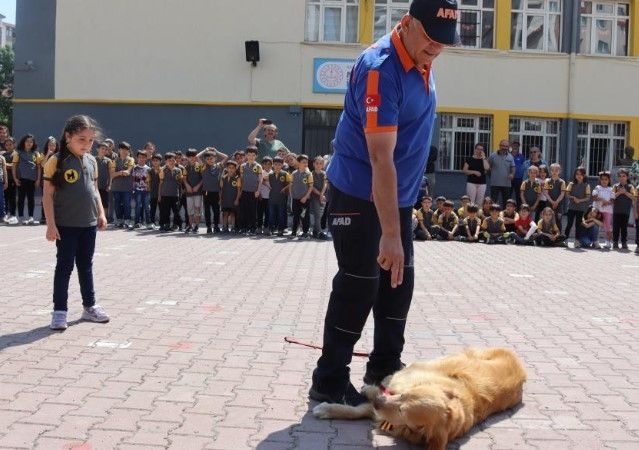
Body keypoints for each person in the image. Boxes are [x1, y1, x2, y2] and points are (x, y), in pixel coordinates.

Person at [310, 0, 459, 407]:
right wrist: (390, 234)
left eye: (444, 42)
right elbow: (380, 157)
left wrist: (402, 215)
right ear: (407, 24)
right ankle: (329, 379)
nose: (436, 48)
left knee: (398, 285)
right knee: (360, 284)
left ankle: (384, 370)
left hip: (398, 198)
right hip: (359, 195)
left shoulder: (422, 59)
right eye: (430, 39)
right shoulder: (381, 69)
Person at [42, 115, 109, 330]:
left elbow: (95, 190)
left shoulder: (91, 160)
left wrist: (101, 213)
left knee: (86, 265)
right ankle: (59, 311)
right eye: (81, 139)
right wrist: (51, 225)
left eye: (90, 140)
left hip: (88, 225)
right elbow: (47, 196)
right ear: (68, 136)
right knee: (64, 267)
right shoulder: (56, 160)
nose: (87, 144)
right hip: (66, 225)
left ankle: (89, 307)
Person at [12, 134, 43, 225]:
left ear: (33, 143)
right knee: (21, 198)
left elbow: (38, 167)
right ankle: (21, 217)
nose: (29, 143)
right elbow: (14, 166)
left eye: (31, 141)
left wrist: (38, 179)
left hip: (32, 180)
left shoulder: (36, 153)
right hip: (21, 179)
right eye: (27, 141)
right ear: (23, 142)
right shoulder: (18, 152)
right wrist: (15, 178)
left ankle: (31, 217)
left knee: (31, 199)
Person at [200, 148, 228, 234]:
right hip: (206, 192)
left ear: (215, 158)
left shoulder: (218, 166)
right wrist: (205, 150)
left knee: (216, 210)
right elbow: (197, 157)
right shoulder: (204, 166)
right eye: (208, 159)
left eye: (212, 158)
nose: (210, 160)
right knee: (207, 211)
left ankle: (216, 226)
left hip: (216, 192)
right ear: (205, 160)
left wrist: (216, 151)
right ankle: (208, 227)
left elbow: (226, 157)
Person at [109, 142, 135, 229]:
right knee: (117, 204)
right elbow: (112, 174)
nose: (124, 151)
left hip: (127, 187)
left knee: (127, 204)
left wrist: (118, 173)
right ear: (119, 150)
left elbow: (128, 172)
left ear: (129, 151)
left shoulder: (131, 160)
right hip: (116, 187)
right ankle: (119, 220)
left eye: (126, 150)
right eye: (122, 149)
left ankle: (127, 220)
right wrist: (120, 172)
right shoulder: (114, 161)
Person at [564, 167, 591, 248]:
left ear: (584, 175)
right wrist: (573, 198)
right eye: (577, 174)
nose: (579, 176)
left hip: (581, 208)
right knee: (569, 224)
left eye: (581, 174)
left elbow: (588, 197)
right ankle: (565, 239)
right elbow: (567, 194)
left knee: (578, 225)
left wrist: (580, 200)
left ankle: (577, 241)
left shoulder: (587, 185)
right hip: (571, 207)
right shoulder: (571, 184)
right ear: (575, 175)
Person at [289, 154, 313, 238]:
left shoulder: (309, 174)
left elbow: (311, 187)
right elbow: (290, 185)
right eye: (303, 162)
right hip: (295, 199)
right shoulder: (294, 173)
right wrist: (292, 195)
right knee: (296, 215)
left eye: (306, 162)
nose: (306, 164)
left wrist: (306, 197)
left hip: (305, 200)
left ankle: (305, 232)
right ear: (298, 163)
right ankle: (294, 232)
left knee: (304, 216)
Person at [158, 152, 183, 232]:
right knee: (166, 211)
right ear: (166, 161)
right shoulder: (162, 170)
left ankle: (180, 225)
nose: (172, 162)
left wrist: (180, 194)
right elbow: (160, 183)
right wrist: (159, 195)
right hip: (165, 194)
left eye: (173, 160)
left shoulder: (178, 170)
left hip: (175, 195)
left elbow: (180, 184)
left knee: (176, 211)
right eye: (169, 160)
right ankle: (166, 225)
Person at [611, 167, 636, 250]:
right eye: (620, 176)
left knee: (624, 228)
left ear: (627, 177)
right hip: (616, 211)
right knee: (616, 227)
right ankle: (615, 242)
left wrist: (625, 192)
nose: (622, 178)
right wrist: (619, 192)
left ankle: (624, 243)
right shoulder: (615, 186)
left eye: (624, 176)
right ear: (618, 177)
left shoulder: (630, 186)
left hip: (626, 211)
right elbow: (612, 197)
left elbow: (634, 197)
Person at [266, 156, 291, 236]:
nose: (277, 166)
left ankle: (280, 229)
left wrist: (284, 188)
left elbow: (291, 182)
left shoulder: (285, 174)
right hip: (272, 197)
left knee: (281, 214)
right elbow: (262, 180)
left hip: (281, 198)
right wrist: (268, 186)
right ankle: (271, 229)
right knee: (271, 214)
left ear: (282, 165)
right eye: (275, 164)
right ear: (273, 165)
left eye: (279, 164)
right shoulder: (270, 174)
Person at [488, 140, 515, 208]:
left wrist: (512, 174)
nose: (504, 147)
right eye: (503, 146)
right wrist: (491, 176)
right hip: (495, 183)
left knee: (506, 202)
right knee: (493, 201)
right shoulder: (493, 155)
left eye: (506, 146)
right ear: (499, 146)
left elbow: (513, 167)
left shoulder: (510, 156)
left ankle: (505, 216)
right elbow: (488, 167)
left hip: (506, 184)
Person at [183, 148, 204, 234]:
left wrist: (197, 186)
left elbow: (203, 178)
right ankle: (190, 225)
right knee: (190, 210)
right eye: (189, 157)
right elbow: (184, 179)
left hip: (198, 192)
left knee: (197, 208)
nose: (191, 158)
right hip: (189, 193)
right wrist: (187, 186)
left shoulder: (199, 166)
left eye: (193, 156)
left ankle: (197, 226)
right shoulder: (186, 167)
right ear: (187, 157)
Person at [40, 137, 60, 225]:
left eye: (53, 145)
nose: (52, 147)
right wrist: (48, 154)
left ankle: (55, 217)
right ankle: (44, 217)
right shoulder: (43, 154)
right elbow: (43, 165)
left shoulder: (59, 155)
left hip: (56, 180)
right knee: (46, 197)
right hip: (46, 180)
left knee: (56, 198)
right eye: (50, 145)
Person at [592, 171, 613, 249]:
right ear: (600, 180)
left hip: (607, 211)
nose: (604, 181)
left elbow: (613, 200)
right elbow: (594, 197)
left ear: (609, 180)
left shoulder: (611, 189)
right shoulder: (597, 187)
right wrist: (602, 199)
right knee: (596, 226)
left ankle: (608, 242)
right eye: (602, 179)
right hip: (598, 210)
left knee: (608, 226)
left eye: (606, 179)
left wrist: (607, 203)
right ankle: (595, 241)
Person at [131, 150, 152, 229]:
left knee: (147, 206)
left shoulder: (149, 169)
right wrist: (133, 189)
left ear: (146, 158)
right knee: (138, 206)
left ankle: (148, 222)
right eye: (140, 157)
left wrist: (149, 188)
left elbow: (150, 181)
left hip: (146, 191)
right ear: (137, 158)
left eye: (143, 157)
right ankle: (137, 222)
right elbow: (133, 179)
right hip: (137, 190)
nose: (141, 159)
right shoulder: (135, 168)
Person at [220, 160, 241, 233]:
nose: (231, 169)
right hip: (225, 199)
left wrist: (237, 199)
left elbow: (238, 190)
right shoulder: (223, 177)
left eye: (233, 168)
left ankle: (233, 227)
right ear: (226, 168)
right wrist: (220, 199)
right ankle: (224, 227)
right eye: (229, 167)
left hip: (233, 199)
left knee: (232, 214)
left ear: (235, 169)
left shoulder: (237, 178)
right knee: (225, 213)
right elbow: (221, 190)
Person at [310, 156, 328, 239]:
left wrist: (322, 194)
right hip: (314, 196)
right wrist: (319, 194)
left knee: (320, 214)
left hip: (323, 196)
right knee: (317, 214)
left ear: (323, 165)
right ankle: (320, 232)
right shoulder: (311, 174)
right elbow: (311, 186)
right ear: (313, 164)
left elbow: (325, 184)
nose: (318, 165)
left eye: (321, 163)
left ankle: (315, 231)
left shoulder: (324, 173)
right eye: (317, 163)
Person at [1, 137, 18, 223]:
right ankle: (6, 214)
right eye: (6, 145)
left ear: (14, 144)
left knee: (12, 198)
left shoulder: (15, 154)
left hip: (12, 179)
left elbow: (13, 166)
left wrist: (4, 164)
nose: (8, 146)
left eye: (10, 144)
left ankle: (13, 215)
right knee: (5, 198)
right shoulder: (3, 154)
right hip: (4, 180)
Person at [95, 142, 112, 219]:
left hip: (104, 186)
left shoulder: (108, 161)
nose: (104, 150)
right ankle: (95, 218)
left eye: (106, 149)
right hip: (95, 186)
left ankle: (104, 219)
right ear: (98, 149)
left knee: (105, 203)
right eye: (102, 149)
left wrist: (109, 185)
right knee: (95, 203)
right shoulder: (93, 159)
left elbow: (110, 174)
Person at [257, 157, 273, 234]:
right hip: (261, 196)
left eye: (269, 164)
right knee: (260, 213)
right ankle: (259, 227)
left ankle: (266, 228)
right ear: (262, 165)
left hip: (269, 197)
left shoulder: (273, 173)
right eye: (265, 164)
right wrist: (259, 193)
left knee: (268, 213)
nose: (268, 165)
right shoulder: (261, 172)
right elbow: (259, 182)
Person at [148, 154, 163, 228]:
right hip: (152, 193)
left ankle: (162, 223)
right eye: (153, 161)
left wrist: (160, 194)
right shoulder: (149, 170)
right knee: (152, 209)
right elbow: (148, 182)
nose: (155, 162)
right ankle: (152, 223)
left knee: (162, 209)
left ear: (160, 161)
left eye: (157, 161)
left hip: (161, 193)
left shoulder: (162, 170)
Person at [510, 141, 525, 206]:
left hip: (518, 178)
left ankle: (519, 210)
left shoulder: (521, 156)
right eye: (514, 145)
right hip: (509, 178)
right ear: (511, 146)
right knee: (508, 195)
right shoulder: (508, 155)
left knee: (518, 196)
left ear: (518, 147)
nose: (515, 146)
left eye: (517, 145)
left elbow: (524, 166)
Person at [0, 150, 6, 221]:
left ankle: (2, 215)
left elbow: (4, 170)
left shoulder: (2, 158)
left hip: (0, 181)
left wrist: (6, 181)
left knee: (1, 199)